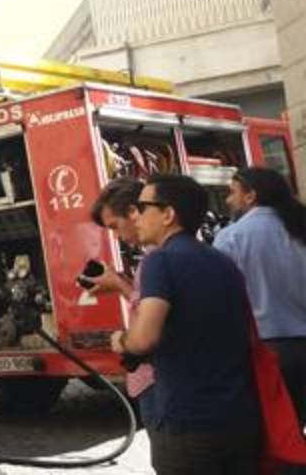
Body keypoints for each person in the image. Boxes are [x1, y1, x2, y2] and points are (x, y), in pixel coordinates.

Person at [112, 174, 260, 474]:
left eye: (142, 207)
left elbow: (144, 339)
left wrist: (121, 341)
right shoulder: (222, 261)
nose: (135, 216)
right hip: (240, 417)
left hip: (188, 421)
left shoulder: (159, 261)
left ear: (168, 214)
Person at [214, 167, 306, 444]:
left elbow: (220, 300)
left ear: (250, 196)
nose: (228, 200)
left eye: (232, 193)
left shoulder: (231, 237)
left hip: (266, 351)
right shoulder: (299, 227)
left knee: (272, 439)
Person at [85, 177, 159, 423]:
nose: (116, 237)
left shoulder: (158, 260)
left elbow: (149, 324)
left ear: (133, 212)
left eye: (115, 226)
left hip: (157, 381)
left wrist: (118, 284)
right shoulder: (160, 256)